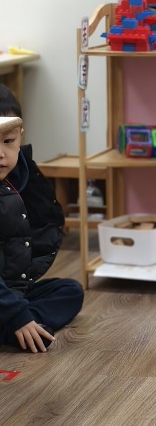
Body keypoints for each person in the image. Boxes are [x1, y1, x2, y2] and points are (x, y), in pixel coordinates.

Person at [0, 85, 83, 352]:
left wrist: (17, 309)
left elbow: (43, 219)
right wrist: (17, 314)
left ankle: (20, 324)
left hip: (12, 289)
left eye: (8, 142)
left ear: (20, 136)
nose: (1, 153)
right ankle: (19, 325)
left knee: (70, 291)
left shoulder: (18, 177)